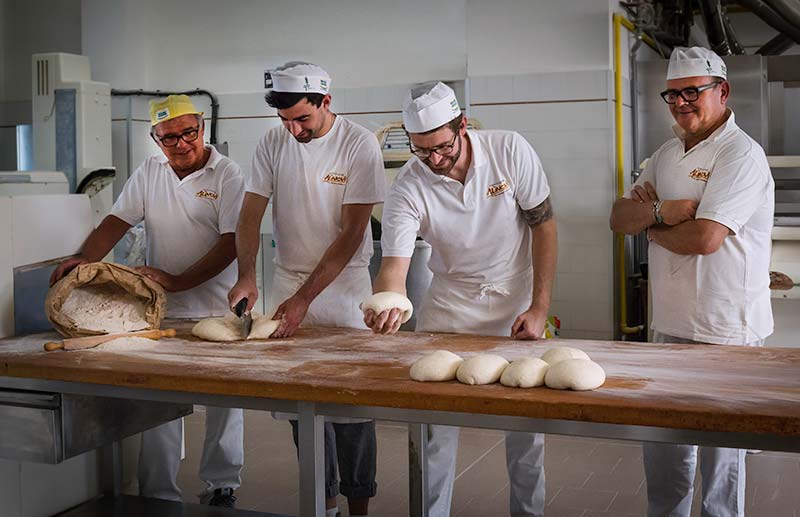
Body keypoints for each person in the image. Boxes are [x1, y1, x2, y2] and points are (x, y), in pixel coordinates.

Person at [365, 81, 557, 517]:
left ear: (462, 126)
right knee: (434, 431)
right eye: (421, 150)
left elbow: (544, 226)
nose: (434, 160)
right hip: (450, 306)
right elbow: (394, 265)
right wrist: (387, 302)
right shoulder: (409, 186)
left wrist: (540, 306)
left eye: (441, 147)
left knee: (526, 428)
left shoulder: (509, 150)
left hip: (515, 302)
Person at [51, 94, 245, 507]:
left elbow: (232, 243)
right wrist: (85, 260)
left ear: (202, 129)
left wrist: (177, 280)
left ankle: (222, 484)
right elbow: (117, 221)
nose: (180, 144)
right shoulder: (150, 172)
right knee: (161, 404)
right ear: (155, 140)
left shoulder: (227, 174)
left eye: (188, 133)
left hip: (218, 306)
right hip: (162, 309)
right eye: (168, 137)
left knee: (225, 403)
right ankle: (159, 492)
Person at [610, 46, 774, 517]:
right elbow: (620, 217)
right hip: (671, 324)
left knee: (722, 464)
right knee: (664, 450)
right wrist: (661, 211)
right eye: (672, 94)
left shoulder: (740, 154)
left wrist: (652, 227)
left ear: (722, 91)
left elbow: (705, 238)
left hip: (728, 329)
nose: (681, 103)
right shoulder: (665, 154)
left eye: (692, 92)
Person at [227, 62, 384, 517]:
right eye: (285, 121)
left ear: (326, 102)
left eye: (303, 120)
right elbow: (250, 215)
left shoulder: (358, 144)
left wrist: (304, 301)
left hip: (344, 288)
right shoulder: (273, 141)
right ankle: (325, 503)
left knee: (352, 408)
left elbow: (353, 233)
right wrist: (246, 275)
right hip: (289, 280)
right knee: (302, 406)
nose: (294, 130)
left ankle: (358, 508)